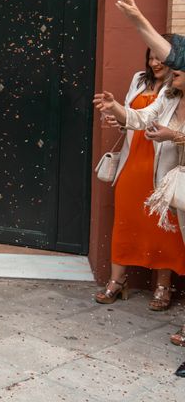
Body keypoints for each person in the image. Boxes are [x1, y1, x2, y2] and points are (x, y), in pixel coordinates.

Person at [114, 0, 185, 378]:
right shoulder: (171, 95)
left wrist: (175, 137)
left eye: (175, 68)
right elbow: (141, 118)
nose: (168, 72)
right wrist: (119, 111)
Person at [94, 42, 185, 310]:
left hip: (164, 162)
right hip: (134, 159)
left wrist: (173, 135)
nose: (156, 63)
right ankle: (117, 281)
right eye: (151, 57)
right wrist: (116, 113)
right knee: (125, 219)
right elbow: (134, 117)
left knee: (163, 225)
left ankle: (162, 285)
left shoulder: (174, 92)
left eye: (161, 58)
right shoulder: (139, 80)